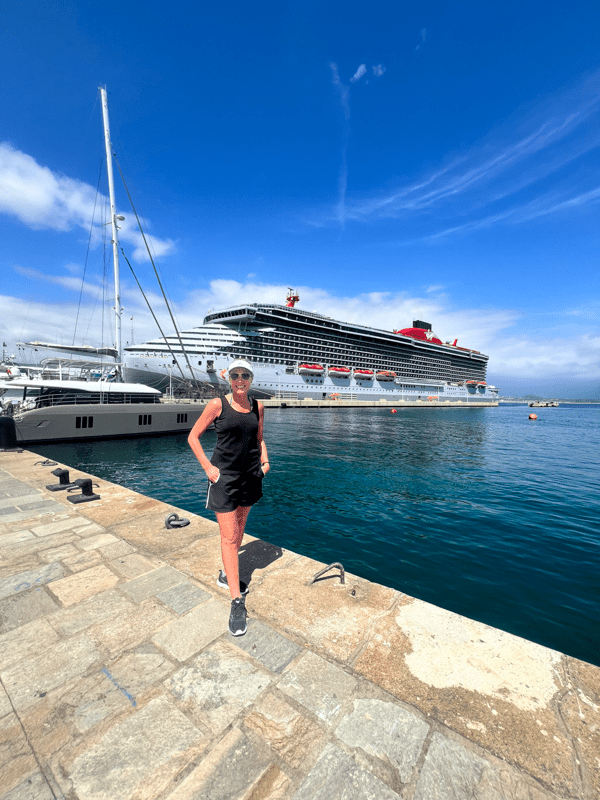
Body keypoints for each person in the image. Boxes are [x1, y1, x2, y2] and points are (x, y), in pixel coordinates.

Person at [188, 359, 270, 636]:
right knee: (229, 536)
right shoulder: (217, 405)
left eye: (244, 375)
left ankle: (227, 574)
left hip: (250, 475)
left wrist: (265, 461)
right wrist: (208, 467)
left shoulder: (257, 406)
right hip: (223, 478)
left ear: (250, 379)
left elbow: (258, 439)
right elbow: (193, 437)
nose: (239, 379)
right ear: (228, 378)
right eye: (235, 375)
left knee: (240, 530)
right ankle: (236, 601)